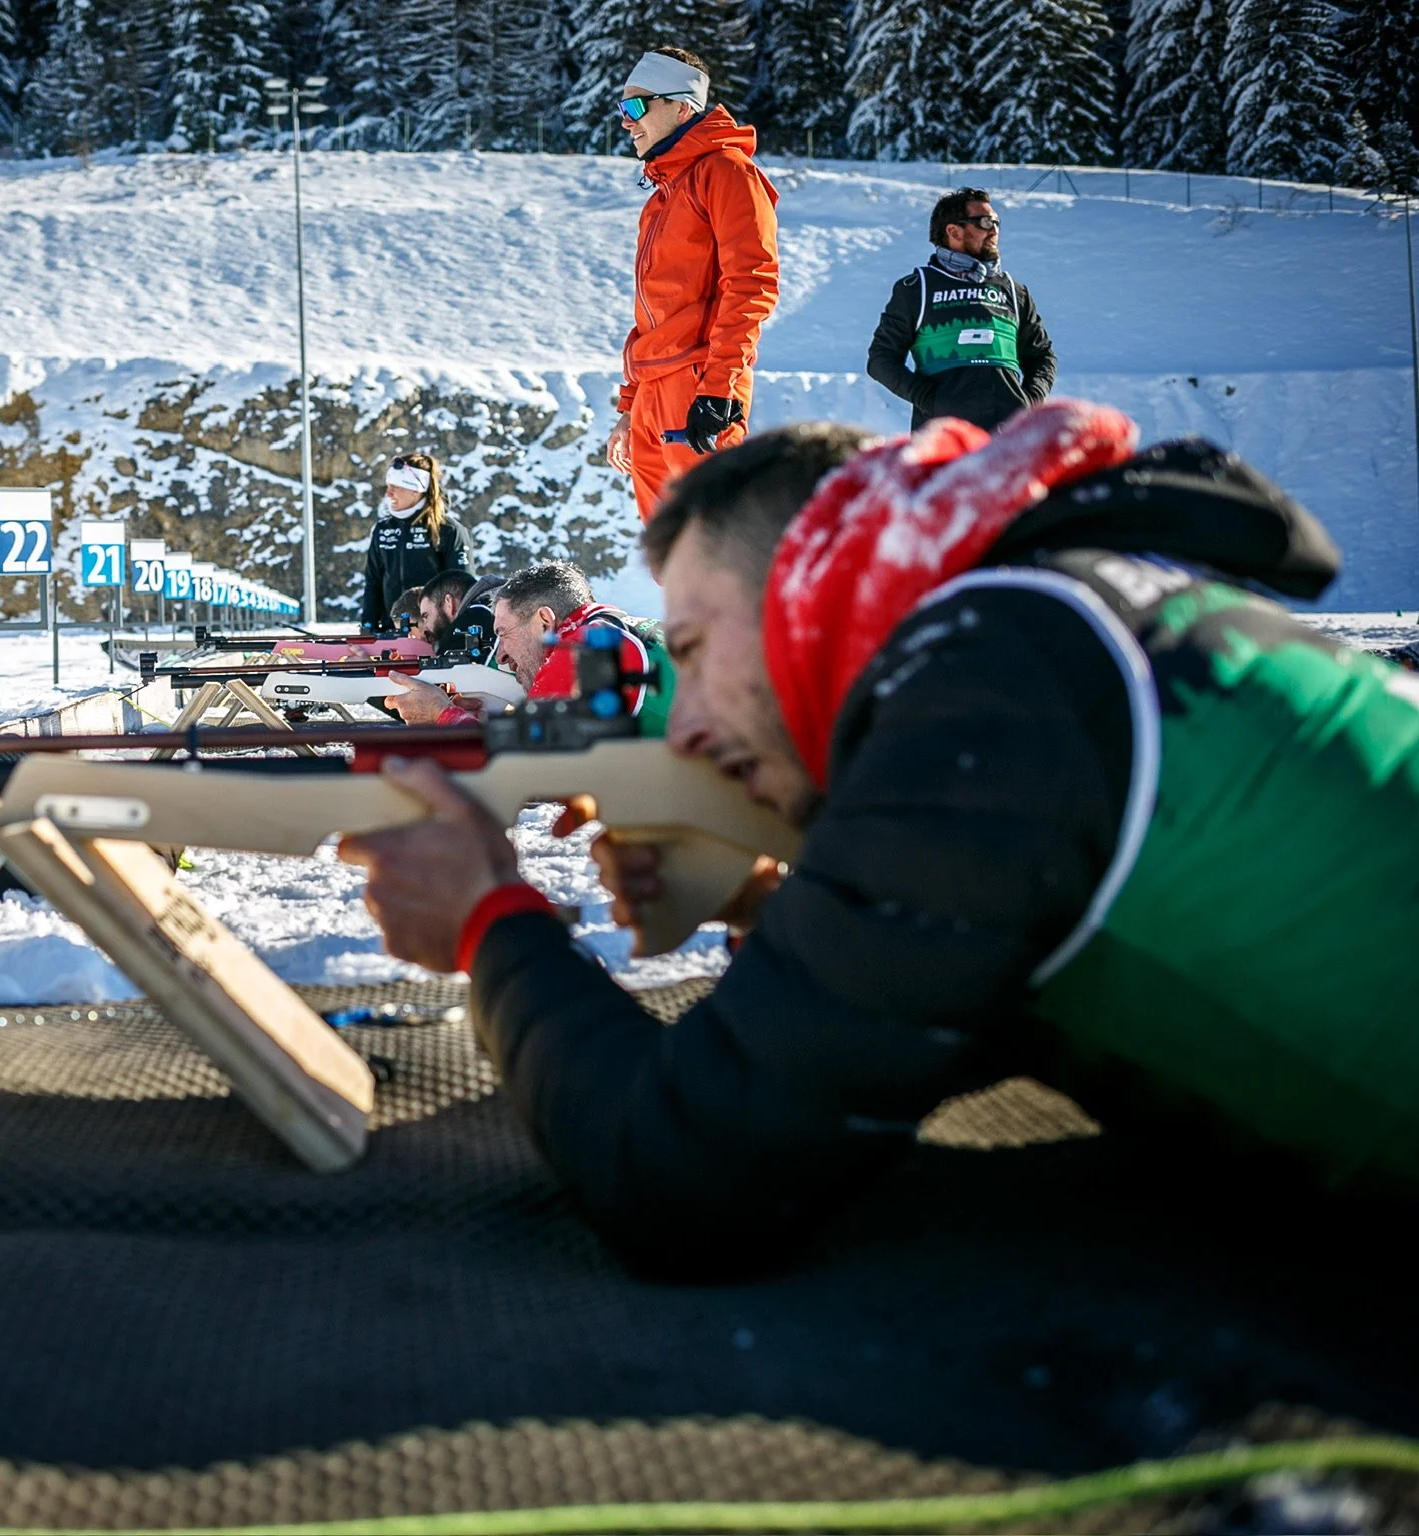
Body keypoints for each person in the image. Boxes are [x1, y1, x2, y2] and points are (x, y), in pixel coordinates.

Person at [339, 402, 1419, 1272]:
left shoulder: (986, 691)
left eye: (696, 649)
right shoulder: (1038, 625)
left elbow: (678, 1173)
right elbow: (977, 972)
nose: (689, 719)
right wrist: (783, 904)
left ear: (803, 592)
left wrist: (491, 919)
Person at [601, 46, 781, 523]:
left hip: (699, 381)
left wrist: (719, 388)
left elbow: (752, 286)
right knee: (667, 548)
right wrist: (630, 407)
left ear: (682, 107)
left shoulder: (728, 172)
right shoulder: (662, 195)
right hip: (653, 390)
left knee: (715, 540)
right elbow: (651, 313)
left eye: (636, 106)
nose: (627, 122)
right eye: (622, 108)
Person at [866, 188, 1057, 432]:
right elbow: (881, 359)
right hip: (943, 440)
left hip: (1007, 440)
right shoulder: (917, 288)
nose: (994, 230)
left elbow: (1042, 357)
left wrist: (1028, 404)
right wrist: (931, 401)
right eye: (985, 222)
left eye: (997, 222)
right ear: (954, 231)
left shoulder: (1013, 291)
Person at [390, 562, 666, 728]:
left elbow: (522, 767)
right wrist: (491, 723)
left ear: (544, 622)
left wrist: (443, 715)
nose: (501, 655)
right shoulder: (612, 625)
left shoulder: (579, 649)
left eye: (503, 633)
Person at [360, 453, 466, 634]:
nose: (388, 493)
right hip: (392, 632)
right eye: (388, 486)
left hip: (434, 634)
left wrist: (453, 635)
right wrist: (367, 628)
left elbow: (461, 590)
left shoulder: (448, 530)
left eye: (395, 487)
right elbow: (373, 583)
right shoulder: (383, 529)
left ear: (415, 489)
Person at [415, 568, 497, 659]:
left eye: (426, 616)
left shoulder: (462, 629)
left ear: (449, 603)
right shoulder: (496, 604)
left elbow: (444, 667)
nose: (425, 627)